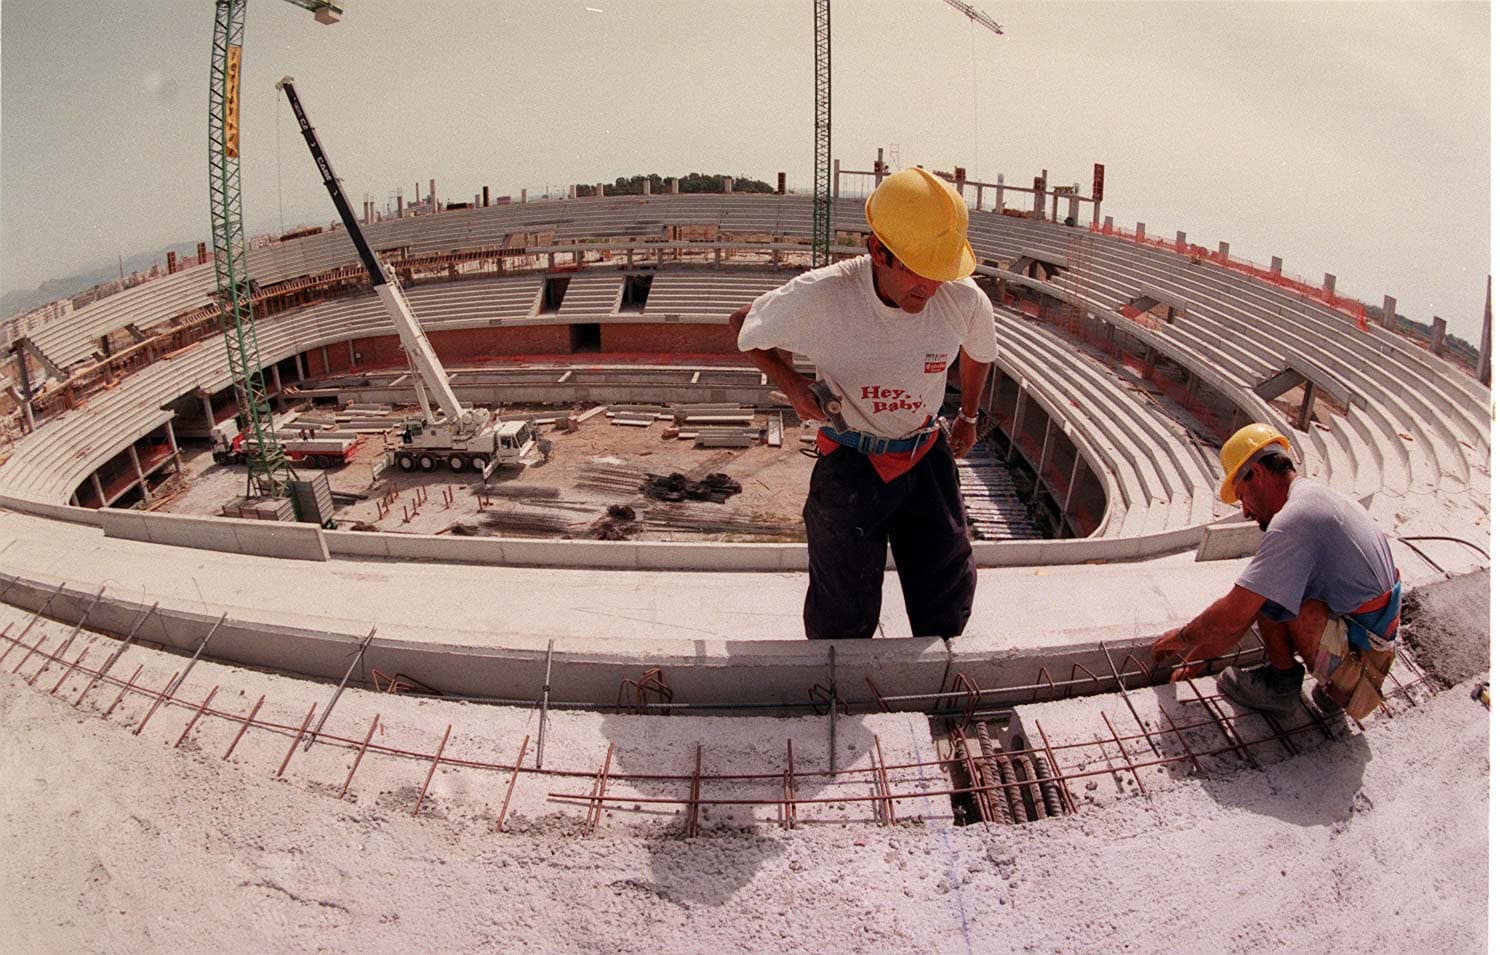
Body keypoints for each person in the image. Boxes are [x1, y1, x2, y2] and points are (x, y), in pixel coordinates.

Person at [729, 167, 998, 640]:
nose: (932, 288)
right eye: (919, 270)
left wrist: (969, 416)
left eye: (941, 273)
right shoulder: (824, 295)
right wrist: (792, 384)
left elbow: (978, 352)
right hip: (851, 463)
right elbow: (743, 326)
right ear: (877, 251)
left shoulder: (964, 299)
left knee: (947, 596)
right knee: (842, 615)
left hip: (923, 455)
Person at [1151, 423, 1403, 720]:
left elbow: (1234, 614)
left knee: (1268, 593)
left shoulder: (1294, 520)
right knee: (1268, 585)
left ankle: (1285, 686)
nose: (1244, 511)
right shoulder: (1313, 497)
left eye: (1241, 494)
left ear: (1257, 473)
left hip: (1360, 668)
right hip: (1373, 653)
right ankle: (1337, 685)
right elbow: (1237, 616)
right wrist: (1194, 663)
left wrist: (1180, 638)